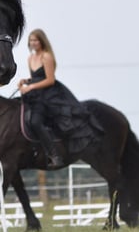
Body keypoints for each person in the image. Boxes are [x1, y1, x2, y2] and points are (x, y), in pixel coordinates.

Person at [17, 29, 103, 169]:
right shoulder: (30, 58)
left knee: (35, 122)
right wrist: (26, 81)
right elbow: (36, 77)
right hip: (35, 93)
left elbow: (50, 79)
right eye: (31, 40)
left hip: (48, 95)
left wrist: (31, 87)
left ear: (42, 41)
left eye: (36, 40)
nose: (33, 43)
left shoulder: (47, 57)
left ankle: (54, 155)